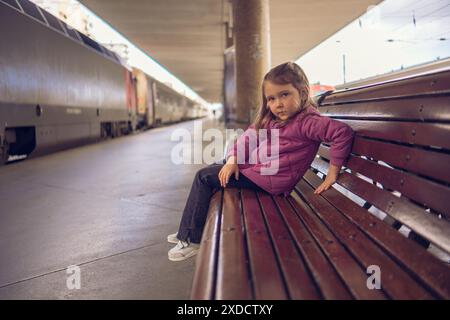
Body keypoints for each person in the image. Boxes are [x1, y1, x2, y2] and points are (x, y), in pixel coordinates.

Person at [167, 62, 354, 261]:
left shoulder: (308, 122)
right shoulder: (275, 120)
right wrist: (233, 159)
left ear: (303, 92)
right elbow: (248, 138)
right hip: (262, 172)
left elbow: (342, 133)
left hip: (271, 180)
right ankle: (190, 225)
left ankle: (191, 238)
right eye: (271, 99)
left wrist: (332, 173)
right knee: (218, 166)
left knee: (204, 177)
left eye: (285, 95)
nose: (277, 104)